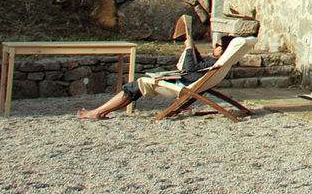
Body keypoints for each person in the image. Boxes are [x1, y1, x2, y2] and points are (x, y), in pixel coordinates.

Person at [76, 15, 230, 119]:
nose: (213, 46)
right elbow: (197, 68)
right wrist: (192, 46)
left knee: (136, 85)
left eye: (216, 45)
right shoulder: (219, 63)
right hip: (184, 84)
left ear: (221, 49)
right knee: (134, 88)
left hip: (180, 87)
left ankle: (97, 112)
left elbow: (190, 69)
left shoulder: (213, 64)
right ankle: (101, 112)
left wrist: (189, 49)